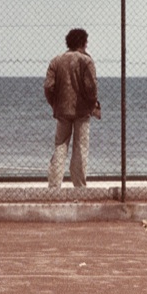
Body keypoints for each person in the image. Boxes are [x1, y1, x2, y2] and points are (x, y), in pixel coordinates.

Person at [44, 28, 100, 188]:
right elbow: (91, 88)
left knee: (60, 146)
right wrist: (92, 104)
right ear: (83, 43)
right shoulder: (86, 61)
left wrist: (54, 104)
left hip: (61, 111)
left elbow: (48, 87)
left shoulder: (56, 61)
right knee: (80, 149)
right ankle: (79, 185)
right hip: (82, 112)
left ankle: (54, 186)